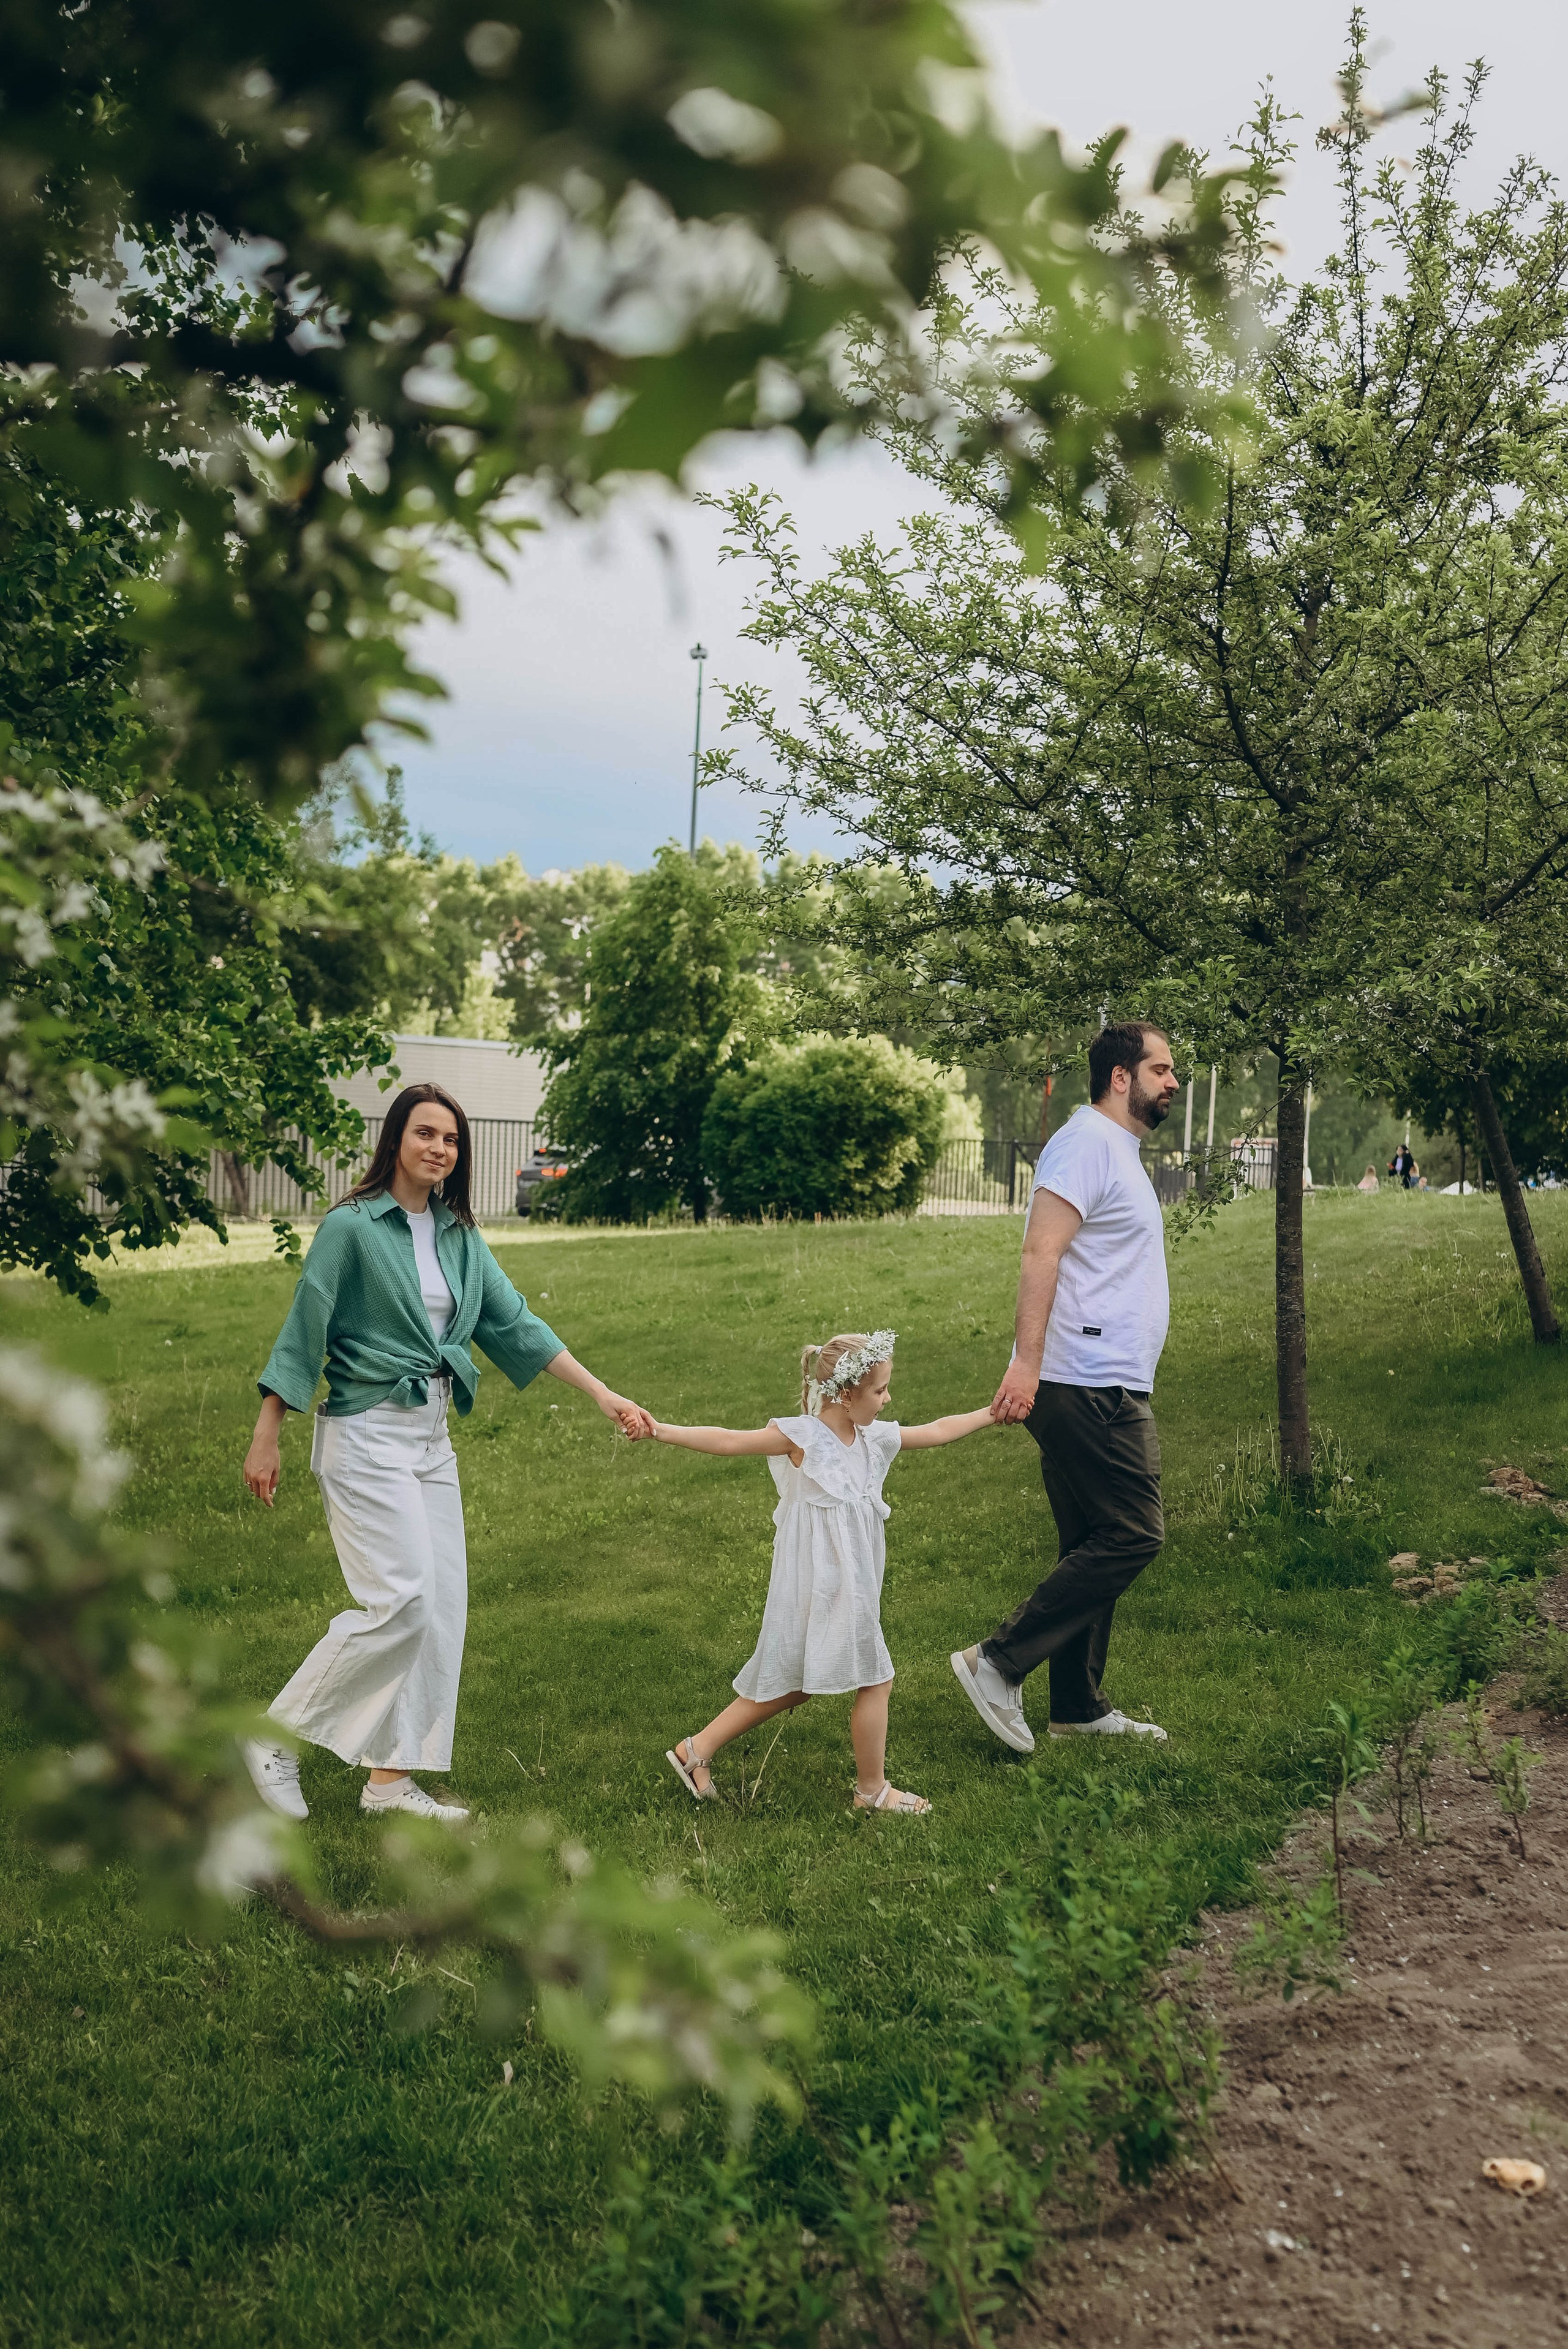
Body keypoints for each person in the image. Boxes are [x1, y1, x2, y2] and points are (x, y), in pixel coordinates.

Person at [240, 1083, 652, 1824]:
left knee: (441, 1612)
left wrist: (604, 1394)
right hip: (366, 1433)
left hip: (431, 1439)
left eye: (452, 1139)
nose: (439, 1148)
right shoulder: (353, 1227)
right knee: (401, 1600)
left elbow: (516, 1323)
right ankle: (273, 1737)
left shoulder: (459, 1234)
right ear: (396, 1138)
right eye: (425, 1133)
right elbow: (306, 1323)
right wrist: (269, 1426)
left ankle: (391, 1782)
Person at [950, 1021, 1180, 1753]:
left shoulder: (1118, 1151)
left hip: (1102, 1377)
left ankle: (1077, 1706)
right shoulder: (1086, 1142)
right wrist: (1026, 1361)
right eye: (1161, 1068)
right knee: (1133, 1531)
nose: (1172, 1081)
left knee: (1090, 1539)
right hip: (1085, 1381)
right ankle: (997, 1661)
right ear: (1121, 1076)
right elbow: (1039, 1250)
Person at [658, 1332, 996, 1815]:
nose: (888, 1398)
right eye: (880, 1390)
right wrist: (659, 1429)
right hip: (820, 1582)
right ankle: (872, 1790)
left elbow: (938, 1429)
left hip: (848, 1583)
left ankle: (695, 1750)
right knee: (876, 1677)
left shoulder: (872, 1439)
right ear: (845, 1394)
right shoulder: (805, 1437)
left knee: (796, 1681)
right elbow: (729, 1440)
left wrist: (993, 1411)